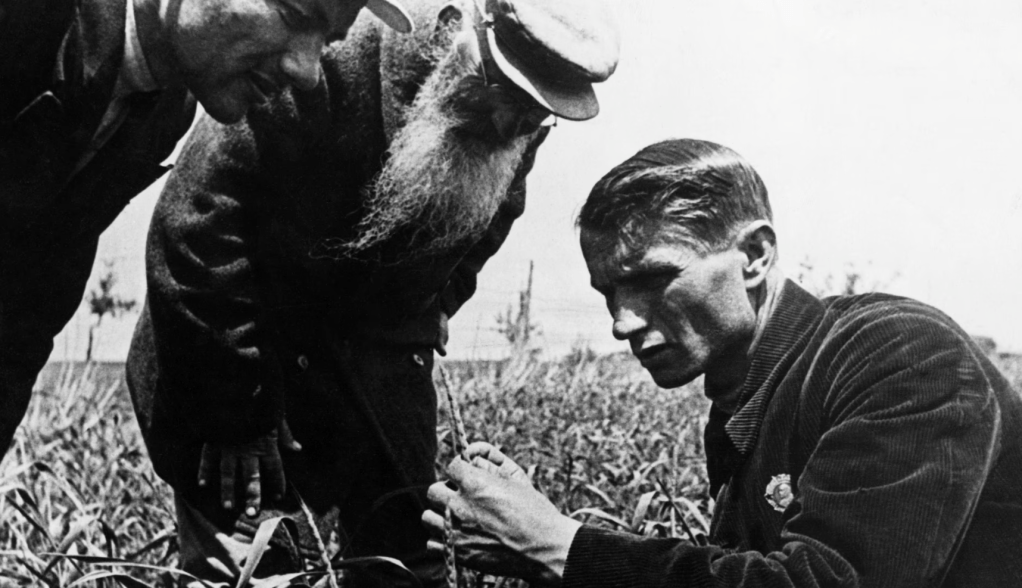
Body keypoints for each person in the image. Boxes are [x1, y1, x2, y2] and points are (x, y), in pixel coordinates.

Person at [126, 0, 619, 584]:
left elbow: (488, 221)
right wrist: (237, 414)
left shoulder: (511, 126)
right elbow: (196, 228)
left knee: (408, 557)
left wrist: (430, 306)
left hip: (374, 354)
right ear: (461, 38)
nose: (512, 129)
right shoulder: (320, 60)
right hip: (234, 352)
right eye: (506, 97)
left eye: (534, 115)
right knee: (256, 560)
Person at [424, 139, 1022, 587]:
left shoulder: (900, 354)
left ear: (756, 256)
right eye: (609, 293)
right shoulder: (752, 392)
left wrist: (561, 546)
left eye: (653, 278)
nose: (621, 323)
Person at [0, 0, 414, 456]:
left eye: (327, 42)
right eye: (296, 16)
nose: (308, 71)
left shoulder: (166, 110)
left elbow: (27, 309)